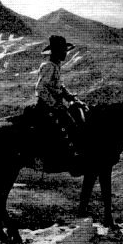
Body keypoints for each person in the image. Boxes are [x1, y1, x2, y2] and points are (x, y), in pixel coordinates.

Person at [35, 35, 86, 173]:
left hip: (54, 104)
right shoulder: (48, 66)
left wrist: (69, 95)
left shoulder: (56, 65)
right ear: (56, 52)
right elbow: (40, 89)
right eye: (63, 51)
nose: (65, 54)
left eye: (65, 51)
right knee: (68, 124)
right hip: (46, 105)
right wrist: (54, 104)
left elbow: (58, 86)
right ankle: (63, 160)